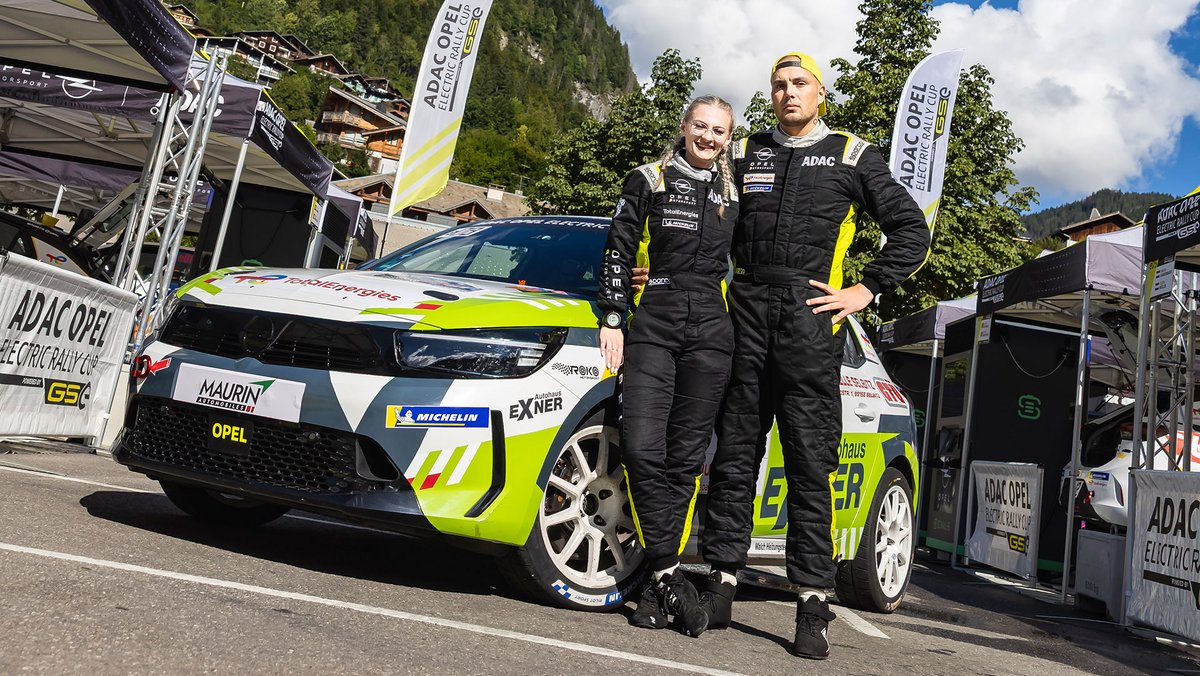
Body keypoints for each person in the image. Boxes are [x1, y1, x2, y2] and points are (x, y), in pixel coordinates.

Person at [698, 53, 930, 659]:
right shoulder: (744, 150)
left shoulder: (853, 155)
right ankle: (721, 583)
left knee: (808, 463)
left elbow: (911, 229)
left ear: (820, 93)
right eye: (777, 85)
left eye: (799, 84)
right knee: (734, 455)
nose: (787, 93)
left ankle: (811, 601)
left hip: (810, 320)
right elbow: (703, 221)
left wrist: (865, 289)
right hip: (745, 311)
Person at [597, 95, 739, 638]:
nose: (708, 137)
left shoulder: (734, 191)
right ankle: (670, 573)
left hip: (712, 332)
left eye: (719, 131)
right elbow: (619, 246)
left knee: (684, 464)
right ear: (683, 128)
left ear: (729, 138)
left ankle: (657, 593)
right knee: (640, 448)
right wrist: (614, 316)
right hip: (654, 319)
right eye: (700, 126)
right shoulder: (648, 178)